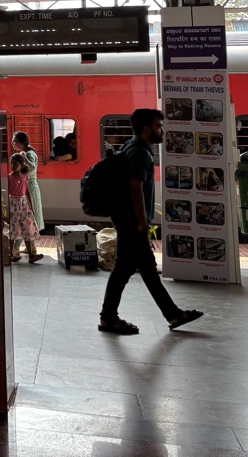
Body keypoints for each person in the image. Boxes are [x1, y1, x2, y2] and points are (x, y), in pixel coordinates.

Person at [99, 108, 203, 335]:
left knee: (138, 269)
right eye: (159, 126)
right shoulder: (140, 152)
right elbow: (135, 188)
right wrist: (142, 222)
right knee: (130, 270)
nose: (162, 131)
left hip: (127, 219)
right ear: (147, 129)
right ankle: (109, 318)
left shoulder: (131, 146)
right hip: (133, 221)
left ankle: (171, 314)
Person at [7, 154, 43, 264]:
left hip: (24, 204)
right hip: (14, 204)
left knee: (27, 228)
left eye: (15, 163)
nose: (12, 165)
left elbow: (26, 192)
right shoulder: (10, 177)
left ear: (22, 164)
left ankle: (31, 254)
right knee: (13, 229)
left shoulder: (25, 176)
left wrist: (31, 206)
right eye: (11, 163)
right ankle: (11, 254)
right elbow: (9, 193)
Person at [12, 132, 44, 233]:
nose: (13, 144)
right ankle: (31, 240)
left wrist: (24, 158)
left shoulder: (29, 154)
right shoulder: (27, 152)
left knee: (29, 213)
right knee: (27, 214)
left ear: (22, 142)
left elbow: (32, 167)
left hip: (29, 187)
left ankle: (29, 239)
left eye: (14, 141)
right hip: (27, 186)